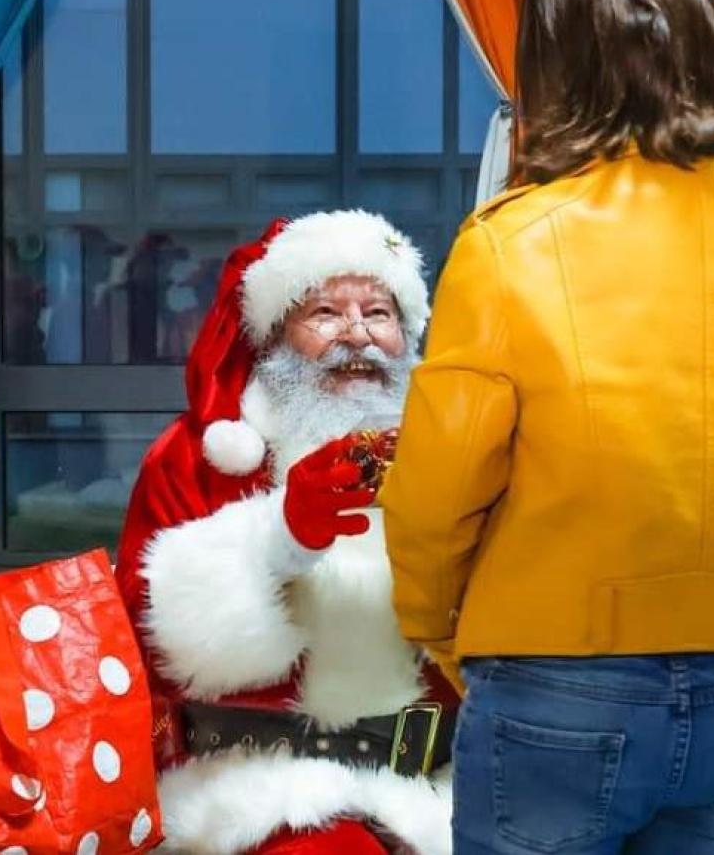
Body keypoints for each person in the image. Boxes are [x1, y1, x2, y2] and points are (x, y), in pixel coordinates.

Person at [376, 0, 714, 852]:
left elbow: (437, 492)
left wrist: (438, 629)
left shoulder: (513, 247)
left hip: (550, 685)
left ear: (558, 69)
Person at [115, 210, 458, 855]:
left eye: (380, 314)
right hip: (262, 786)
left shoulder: (453, 449)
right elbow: (146, 637)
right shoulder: (198, 457)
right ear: (274, 337)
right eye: (325, 313)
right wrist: (281, 538)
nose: (356, 335)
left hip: (440, 784)